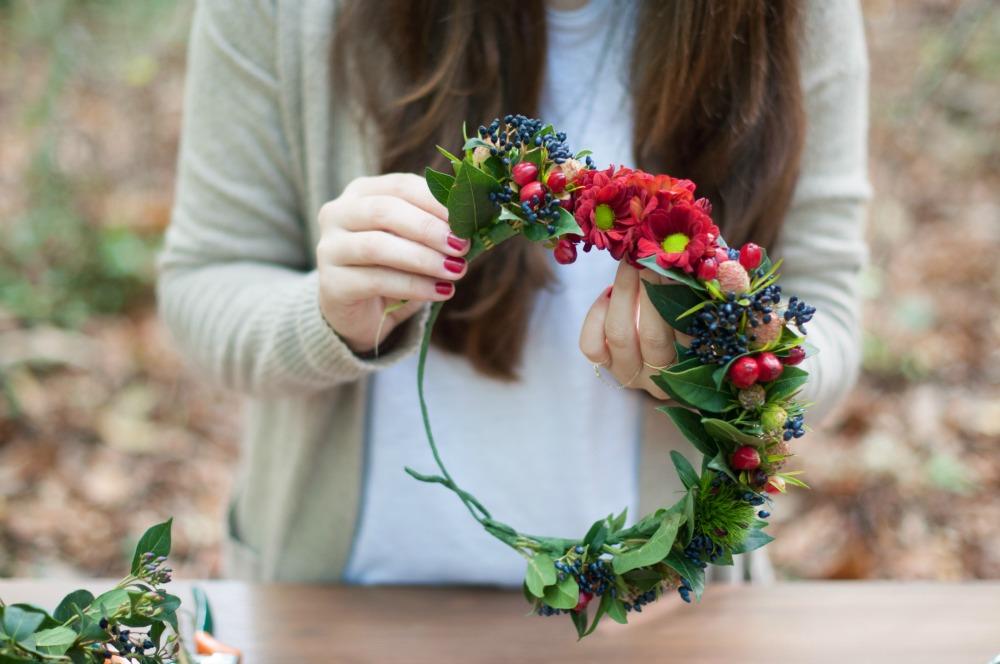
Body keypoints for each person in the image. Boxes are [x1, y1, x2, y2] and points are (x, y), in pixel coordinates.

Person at [158, 0, 870, 584]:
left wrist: (731, 357)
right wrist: (327, 316)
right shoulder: (283, 14)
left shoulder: (797, 15)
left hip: (671, 624)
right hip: (338, 607)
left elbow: (828, 320)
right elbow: (207, 281)